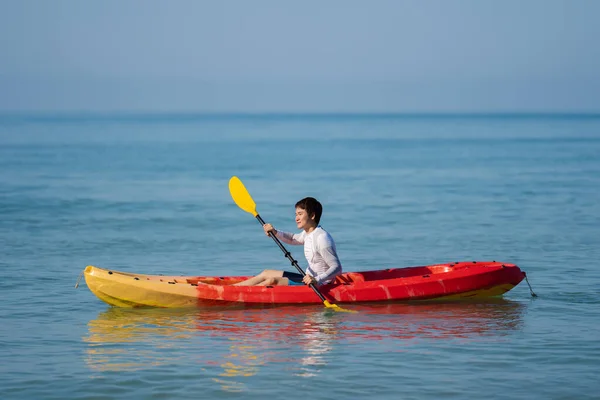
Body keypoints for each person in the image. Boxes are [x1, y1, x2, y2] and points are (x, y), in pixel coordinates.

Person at [234, 197, 342, 286]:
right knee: (266, 273)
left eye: (300, 214)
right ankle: (233, 288)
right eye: (296, 214)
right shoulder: (308, 233)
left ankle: (240, 294)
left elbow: (337, 268)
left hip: (319, 284)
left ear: (312, 216)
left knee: (273, 281)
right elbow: (292, 239)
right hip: (306, 278)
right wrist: (275, 232)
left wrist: (317, 279)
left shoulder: (322, 238)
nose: (296, 218)